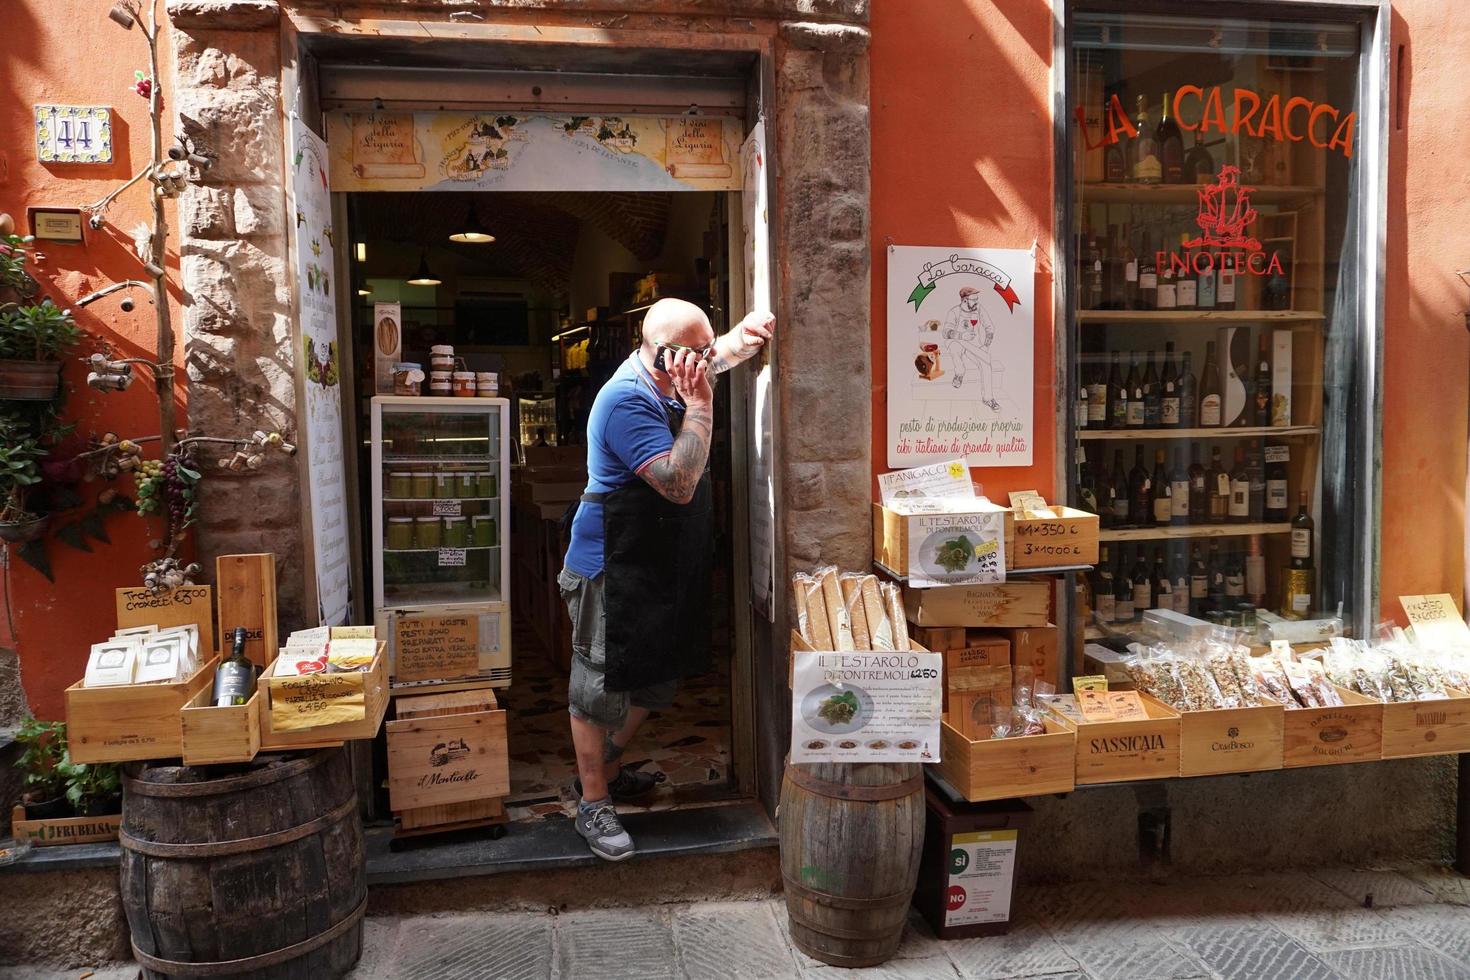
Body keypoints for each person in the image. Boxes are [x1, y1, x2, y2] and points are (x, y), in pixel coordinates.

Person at [558, 298, 774, 861]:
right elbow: (678, 483)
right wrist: (701, 406)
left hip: (651, 557)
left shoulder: (669, 367)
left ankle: (601, 765)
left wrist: (742, 338)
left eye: (707, 353)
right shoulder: (627, 400)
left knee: (656, 676)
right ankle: (593, 802)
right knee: (598, 686)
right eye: (697, 356)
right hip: (609, 563)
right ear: (666, 358)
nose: (707, 363)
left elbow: (715, 355)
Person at [942, 286, 1001, 410]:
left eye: (977, 299)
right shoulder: (954, 312)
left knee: (986, 365)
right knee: (954, 348)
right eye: (974, 300)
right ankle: (959, 373)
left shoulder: (978, 309)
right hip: (957, 341)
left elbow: (989, 325)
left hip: (974, 344)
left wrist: (987, 343)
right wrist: (962, 335)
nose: (976, 302)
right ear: (964, 300)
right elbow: (946, 332)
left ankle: (988, 399)